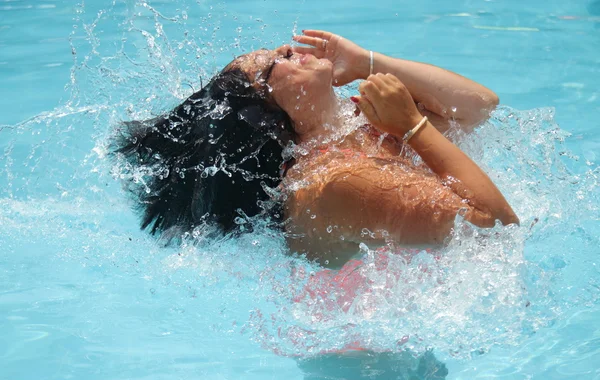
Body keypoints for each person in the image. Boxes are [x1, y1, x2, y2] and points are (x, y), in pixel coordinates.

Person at [112, 30, 519, 267]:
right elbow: (495, 231)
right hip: (362, 363)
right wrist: (413, 126)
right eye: (272, 67)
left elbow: (478, 107)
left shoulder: (362, 123)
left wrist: (366, 63)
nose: (286, 49)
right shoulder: (334, 182)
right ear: (270, 122)